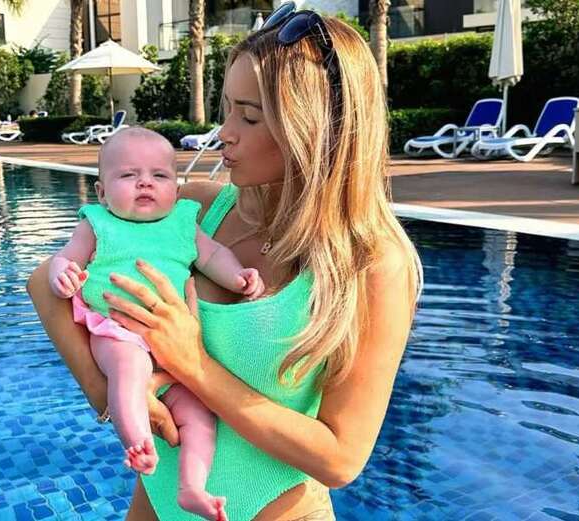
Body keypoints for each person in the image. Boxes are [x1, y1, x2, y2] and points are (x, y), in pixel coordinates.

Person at [27, 3, 422, 520]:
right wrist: (110, 393)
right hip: (158, 500)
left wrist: (192, 363)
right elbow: (44, 283)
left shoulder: (371, 264)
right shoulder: (196, 210)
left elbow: (342, 458)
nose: (224, 133)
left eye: (250, 116)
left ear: (315, 130)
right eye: (228, 109)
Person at [49, 127, 263, 521]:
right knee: (128, 371)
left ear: (176, 189)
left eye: (159, 175)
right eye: (129, 175)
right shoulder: (97, 224)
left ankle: (192, 487)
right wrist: (62, 275)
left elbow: (213, 254)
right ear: (101, 193)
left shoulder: (182, 222)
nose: (145, 182)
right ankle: (138, 441)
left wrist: (237, 276)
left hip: (176, 347)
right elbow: (65, 258)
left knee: (199, 415)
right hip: (118, 331)